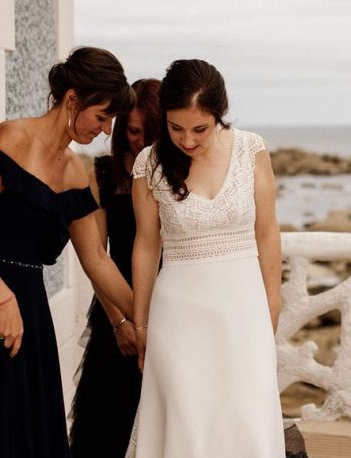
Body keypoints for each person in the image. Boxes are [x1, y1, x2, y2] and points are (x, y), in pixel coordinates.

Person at [0, 47, 137, 458]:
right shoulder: (11, 138)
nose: (106, 131)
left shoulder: (74, 170)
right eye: (102, 117)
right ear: (73, 98)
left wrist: (147, 317)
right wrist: (2, 298)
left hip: (30, 313)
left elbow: (96, 260)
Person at [129, 59, 285, 457]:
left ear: (220, 113)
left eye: (200, 128)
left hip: (244, 310)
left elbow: (267, 231)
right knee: (188, 422)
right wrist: (142, 323)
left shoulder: (252, 149)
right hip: (178, 316)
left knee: (247, 418)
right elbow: (147, 245)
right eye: (175, 127)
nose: (187, 140)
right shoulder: (149, 163)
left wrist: (272, 301)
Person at [68, 79, 162, 457]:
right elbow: (96, 256)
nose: (140, 141)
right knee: (107, 421)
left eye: (149, 133)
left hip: (166, 305)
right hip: (116, 306)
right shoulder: (104, 174)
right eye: (133, 131)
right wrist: (120, 322)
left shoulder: (173, 173)